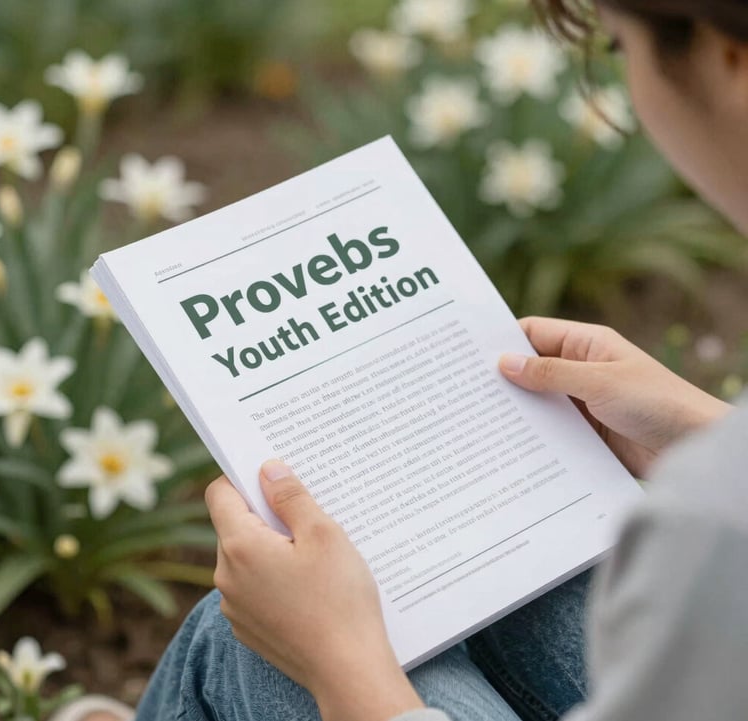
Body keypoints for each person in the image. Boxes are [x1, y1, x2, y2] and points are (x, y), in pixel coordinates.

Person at [133, 1, 748, 720]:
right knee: (523, 579)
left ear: (727, 58)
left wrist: (340, 664)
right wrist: (705, 433)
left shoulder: (713, 525)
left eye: (619, 46)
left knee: (248, 641)